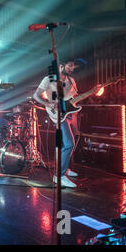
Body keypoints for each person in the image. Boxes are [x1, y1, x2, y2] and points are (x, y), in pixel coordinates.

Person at [33, 60, 79, 188]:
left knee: (70, 144)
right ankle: (59, 176)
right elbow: (36, 96)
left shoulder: (71, 80)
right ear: (61, 66)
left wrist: (92, 92)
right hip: (57, 115)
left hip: (68, 114)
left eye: (73, 66)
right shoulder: (49, 79)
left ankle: (65, 168)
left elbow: (72, 99)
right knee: (69, 144)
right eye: (70, 66)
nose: (72, 68)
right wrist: (49, 104)